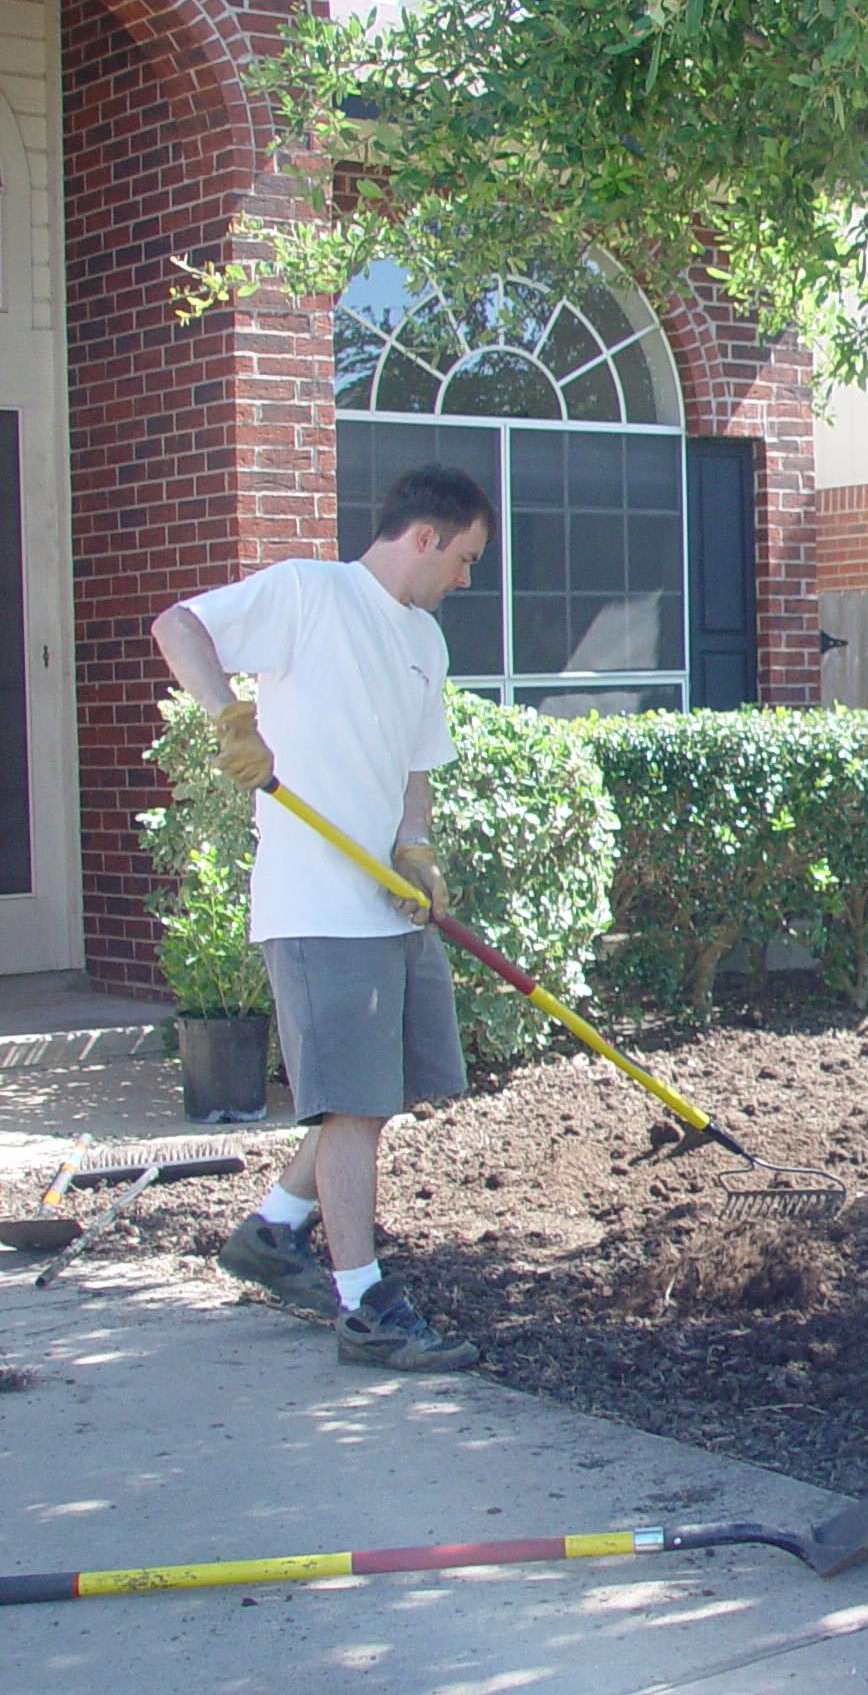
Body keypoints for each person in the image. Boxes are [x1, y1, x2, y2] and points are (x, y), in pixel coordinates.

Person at [151, 464, 495, 1373]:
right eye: (464, 558)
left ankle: (274, 1230)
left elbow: (418, 765)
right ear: (424, 536)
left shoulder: (424, 640)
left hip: (384, 904)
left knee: (386, 1095)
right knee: (350, 1104)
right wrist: (228, 713)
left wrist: (414, 848)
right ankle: (365, 1307)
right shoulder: (310, 593)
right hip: (315, 905)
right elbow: (178, 625)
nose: (467, 578)